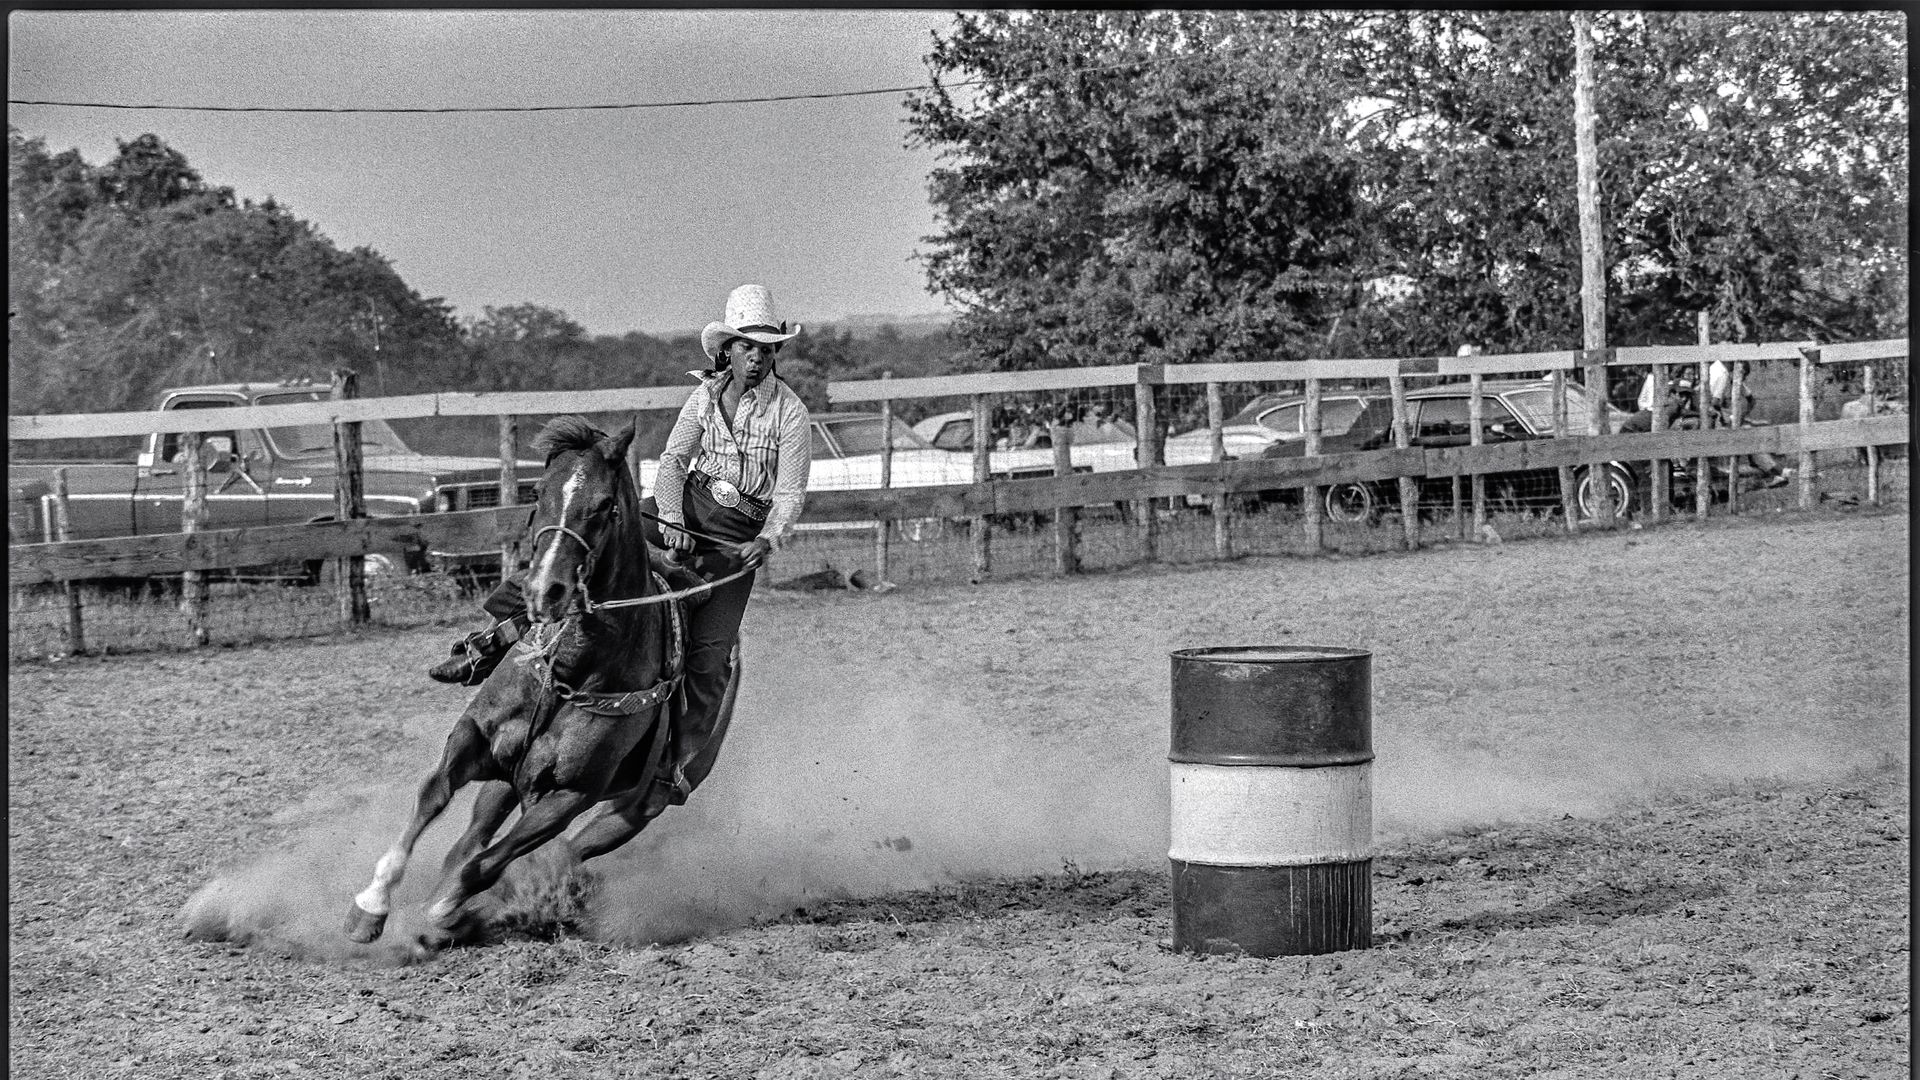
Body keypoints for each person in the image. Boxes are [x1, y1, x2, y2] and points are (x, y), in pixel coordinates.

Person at [426, 283, 813, 807]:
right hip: (682, 505)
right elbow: (675, 463)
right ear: (728, 349)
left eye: (766, 348)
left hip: (736, 537)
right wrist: (671, 517)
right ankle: (487, 643)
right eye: (748, 346)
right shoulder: (703, 398)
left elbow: (789, 490)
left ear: (774, 354)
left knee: (710, 654)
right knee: (575, 549)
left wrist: (768, 538)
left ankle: (676, 760)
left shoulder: (790, 413)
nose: (756, 357)